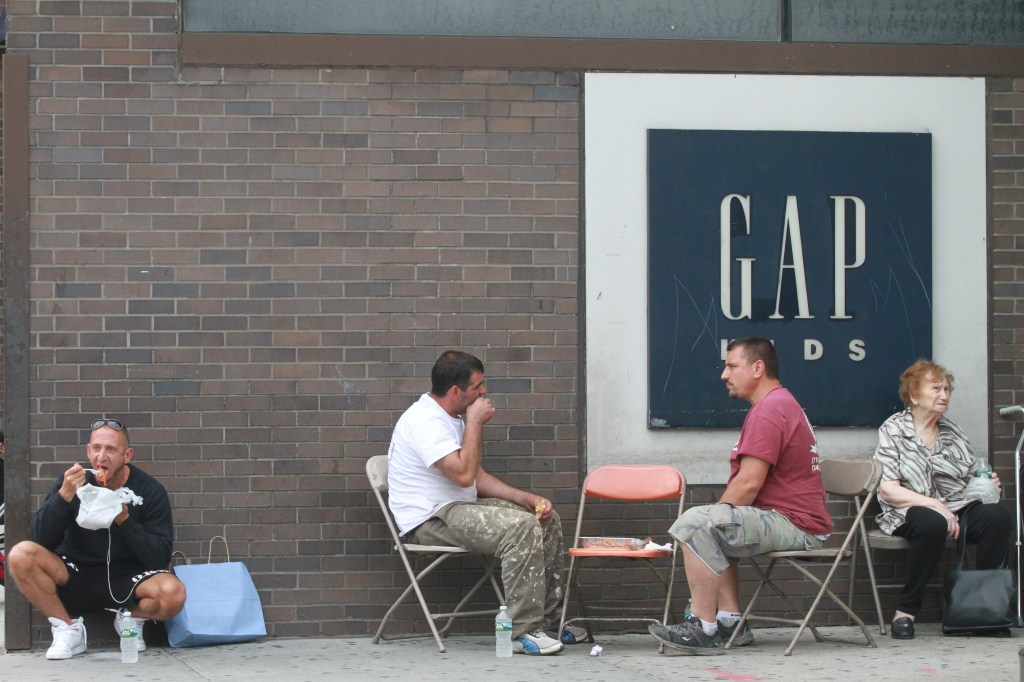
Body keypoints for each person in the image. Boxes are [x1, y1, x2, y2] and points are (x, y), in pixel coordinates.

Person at [648, 336, 832, 655]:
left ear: (757, 368)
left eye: (732, 366)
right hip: (795, 521)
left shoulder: (769, 410)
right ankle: (731, 622)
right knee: (718, 525)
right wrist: (718, 519)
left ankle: (703, 629)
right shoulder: (780, 403)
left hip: (796, 525)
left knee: (697, 525)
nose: (724, 374)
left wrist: (708, 522)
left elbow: (748, 484)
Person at [387, 350, 575, 655]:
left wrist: (525, 498)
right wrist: (475, 423)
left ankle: (548, 622)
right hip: (429, 519)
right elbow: (463, 476)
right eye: (479, 386)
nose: (484, 392)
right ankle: (522, 632)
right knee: (521, 528)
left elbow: (476, 476)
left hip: (458, 508)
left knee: (544, 519)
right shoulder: (425, 421)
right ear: (456, 392)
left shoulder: (453, 416)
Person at [8, 418, 186, 660]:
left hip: (128, 577)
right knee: (20, 554)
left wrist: (125, 521)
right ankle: (67, 629)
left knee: (173, 593)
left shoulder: (149, 490)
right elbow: (39, 539)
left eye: (111, 450)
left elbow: (159, 557)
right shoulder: (72, 482)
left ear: (127, 455)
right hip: (75, 571)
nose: (102, 457)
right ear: (88, 451)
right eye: (96, 448)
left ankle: (130, 621)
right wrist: (63, 497)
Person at [872, 359, 1012, 639]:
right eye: (935, 388)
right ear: (914, 395)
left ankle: (984, 608)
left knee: (997, 517)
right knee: (932, 522)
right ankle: (906, 612)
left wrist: (989, 484)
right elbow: (888, 489)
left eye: (946, 389)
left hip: (957, 508)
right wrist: (936, 505)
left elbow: (973, 476)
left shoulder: (952, 432)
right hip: (908, 511)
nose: (944, 395)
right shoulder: (894, 429)